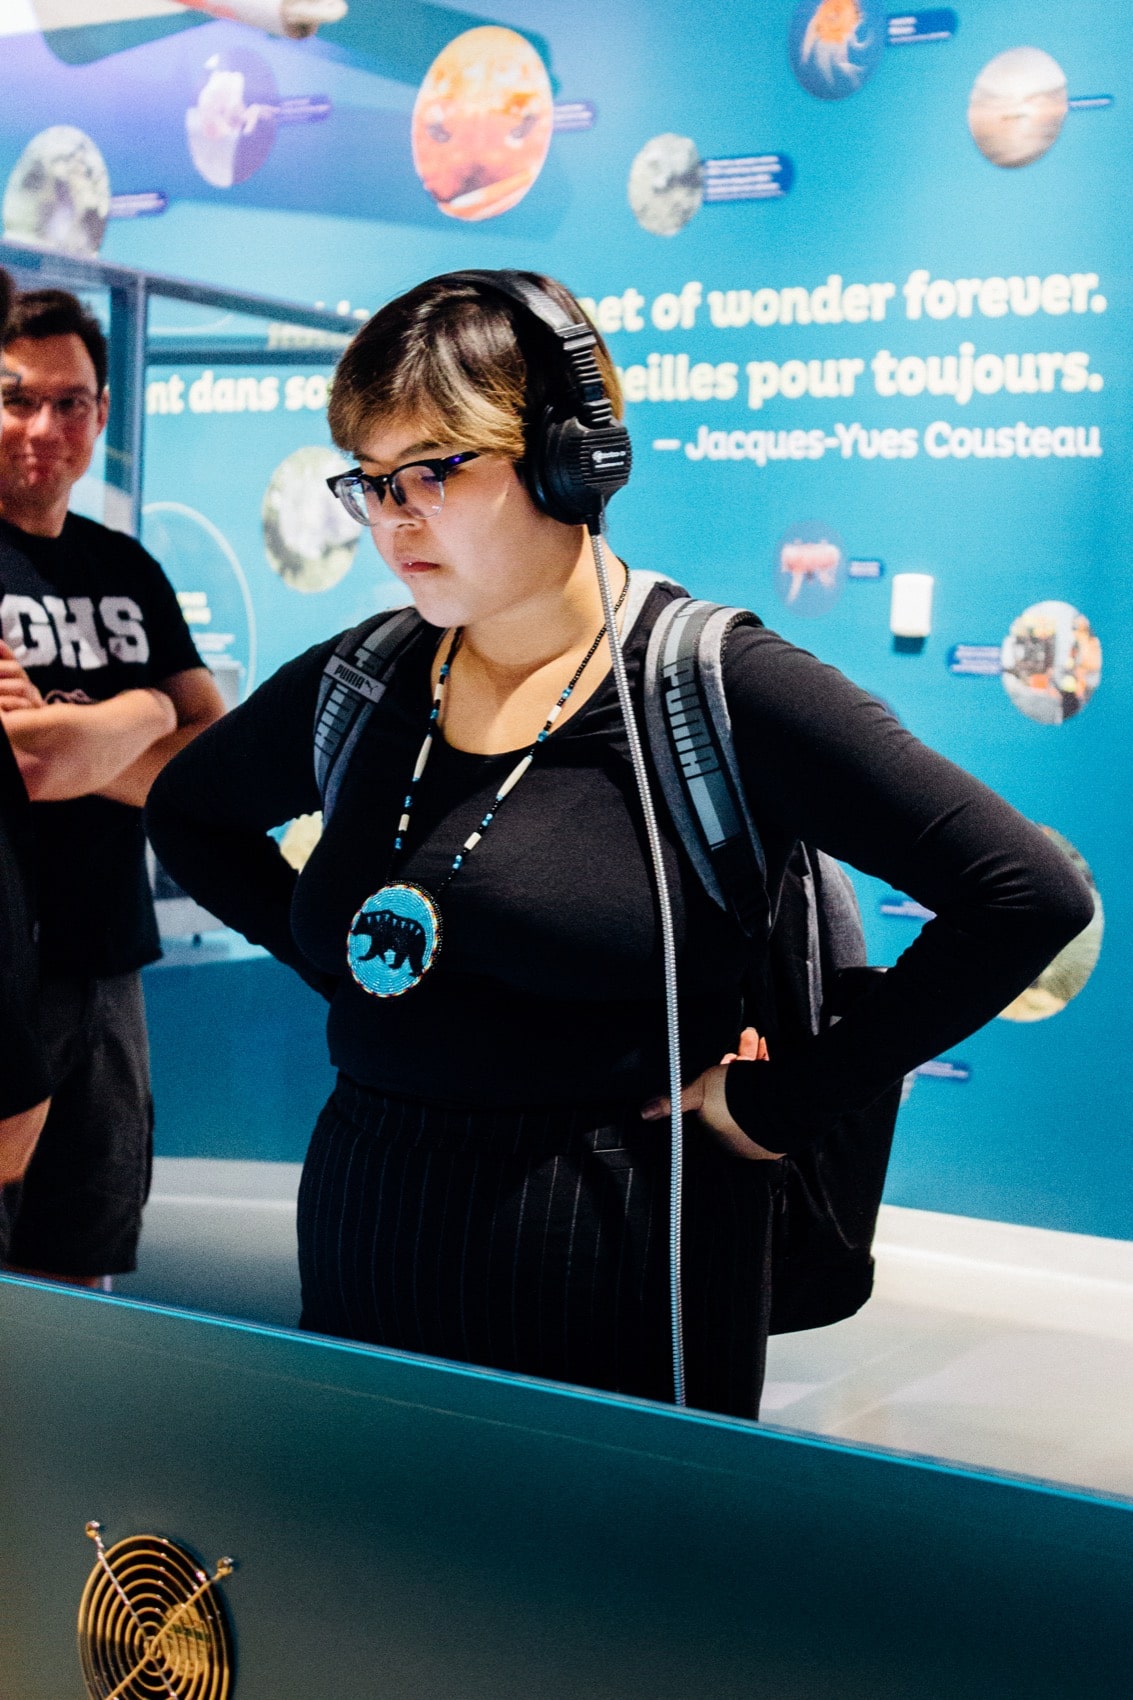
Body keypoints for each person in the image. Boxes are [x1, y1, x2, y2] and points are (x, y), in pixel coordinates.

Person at [146, 271, 1092, 1416]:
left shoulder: (711, 686)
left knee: (604, 1589)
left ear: (567, 460)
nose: (394, 518)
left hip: (619, 1256)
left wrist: (780, 1103)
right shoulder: (367, 673)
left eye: (435, 471)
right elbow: (188, 814)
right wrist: (346, 960)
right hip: (367, 1216)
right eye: (372, 480)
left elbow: (1021, 893)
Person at [0, 286, 225, 1288]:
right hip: (7, 969)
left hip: (108, 967)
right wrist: (141, 713)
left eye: (73, 401)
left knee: (88, 1263)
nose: (46, 426)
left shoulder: (125, 566)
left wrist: (76, 738)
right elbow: (23, 761)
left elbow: (213, 756)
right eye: (16, 397)